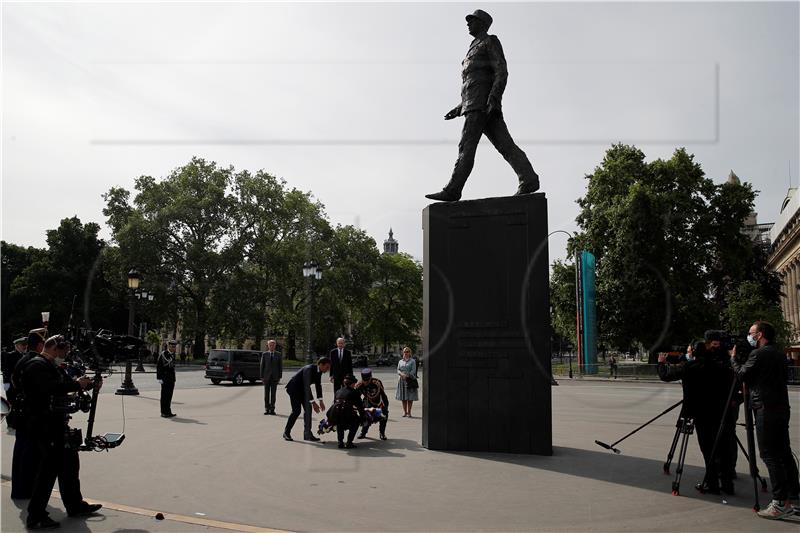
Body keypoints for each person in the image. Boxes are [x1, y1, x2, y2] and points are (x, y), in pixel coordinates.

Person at [425, 9, 539, 202]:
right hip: (474, 105)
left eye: (473, 20)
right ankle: (528, 178)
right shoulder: (472, 47)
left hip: (483, 106)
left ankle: (453, 190)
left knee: (466, 148)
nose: (468, 23)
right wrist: (460, 106)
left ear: (483, 23)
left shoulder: (490, 41)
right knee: (505, 145)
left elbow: (501, 71)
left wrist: (494, 98)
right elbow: (475, 82)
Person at [22, 335, 103, 529]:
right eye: (64, 352)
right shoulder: (36, 365)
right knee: (48, 471)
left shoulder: (52, 366)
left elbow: (69, 383)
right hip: (44, 425)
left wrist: (90, 384)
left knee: (69, 464)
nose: (65, 356)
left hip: (57, 423)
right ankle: (35, 516)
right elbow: (51, 388)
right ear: (54, 348)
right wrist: (77, 385)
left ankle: (75, 505)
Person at [733, 321, 800, 519]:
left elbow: (741, 374)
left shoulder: (759, 354)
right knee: (784, 452)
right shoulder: (779, 354)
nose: (749, 336)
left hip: (765, 408)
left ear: (760, 334)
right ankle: (793, 495)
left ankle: (780, 503)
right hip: (780, 407)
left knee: (769, 454)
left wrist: (733, 359)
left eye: (751, 333)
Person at [658, 332, 737, 496]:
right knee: (723, 448)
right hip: (722, 414)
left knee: (708, 449)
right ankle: (728, 484)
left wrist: (661, 363)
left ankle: (713, 484)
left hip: (700, 413)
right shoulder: (722, 367)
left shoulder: (690, 367)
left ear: (693, 352)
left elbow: (666, 375)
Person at [10, 328, 47, 499]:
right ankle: (26, 490)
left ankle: (20, 489)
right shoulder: (35, 362)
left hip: (21, 411)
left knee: (21, 451)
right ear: (40, 345)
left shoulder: (23, 359)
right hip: (30, 413)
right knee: (30, 454)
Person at [283, 357, 330, 442]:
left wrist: (320, 400)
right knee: (296, 411)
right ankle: (286, 432)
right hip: (294, 389)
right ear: (320, 364)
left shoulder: (319, 371)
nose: (328, 369)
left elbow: (318, 385)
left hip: (303, 391)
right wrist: (313, 403)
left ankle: (307, 434)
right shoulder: (309, 369)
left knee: (308, 410)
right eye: (327, 367)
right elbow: (306, 386)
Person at [328, 374, 365, 449]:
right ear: (352, 384)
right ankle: (349, 442)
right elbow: (360, 407)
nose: (355, 385)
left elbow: (335, 402)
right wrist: (362, 418)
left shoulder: (338, 391)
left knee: (340, 424)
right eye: (354, 383)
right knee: (356, 422)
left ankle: (340, 442)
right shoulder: (354, 392)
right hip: (347, 416)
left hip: (336, 415)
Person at [355, 368, 389, 440]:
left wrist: (386, 406)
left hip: (378, 403)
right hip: (367, 402)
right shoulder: (360, 385)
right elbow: (356, 397)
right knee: (365, 416)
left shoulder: (377, 383)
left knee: (384, 415)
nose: (366, 382)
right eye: (364, 380)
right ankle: (363, 433)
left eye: (367, 380)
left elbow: (383, 395)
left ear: (370, 377)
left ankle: (382, 433)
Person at [260, 339, 283, 415]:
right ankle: (267, 409)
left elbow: (280, 366)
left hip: (275, 377)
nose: (272, 346)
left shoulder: (278, 354)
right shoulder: (265, 354)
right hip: (266, 377)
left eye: (273, 345)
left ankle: (272, 409)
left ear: (275, 346)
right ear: (268, 346)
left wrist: (280, 376)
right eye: (270, 345)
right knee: (266, 394)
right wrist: (262, 377)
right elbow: (262, 366)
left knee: (273, 394)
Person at [157, 340, 177, 418]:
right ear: (169, 346)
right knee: (164, 396)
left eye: (174, 347)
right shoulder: (164, 354)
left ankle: (168, 411)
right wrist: (159, 378)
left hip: (171, 379)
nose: (173, 348)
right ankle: (163, 412)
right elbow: (159, 366)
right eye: (172, 347)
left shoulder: (172, 355)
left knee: (169, 396)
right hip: (165, 378)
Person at [396, 347, 418, 417]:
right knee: (403, 397)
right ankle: (405, 412)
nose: (406, 353)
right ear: (403, 352)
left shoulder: (412, 361)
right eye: (405, 351)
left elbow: (413, 370)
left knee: (410, 397)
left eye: (408, 351)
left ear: (410, 353)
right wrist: (401, 374)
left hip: (410, 380)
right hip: (402, 381)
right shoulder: (400, 361)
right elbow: (398, 370)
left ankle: (409, 412)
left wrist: (407, 375)